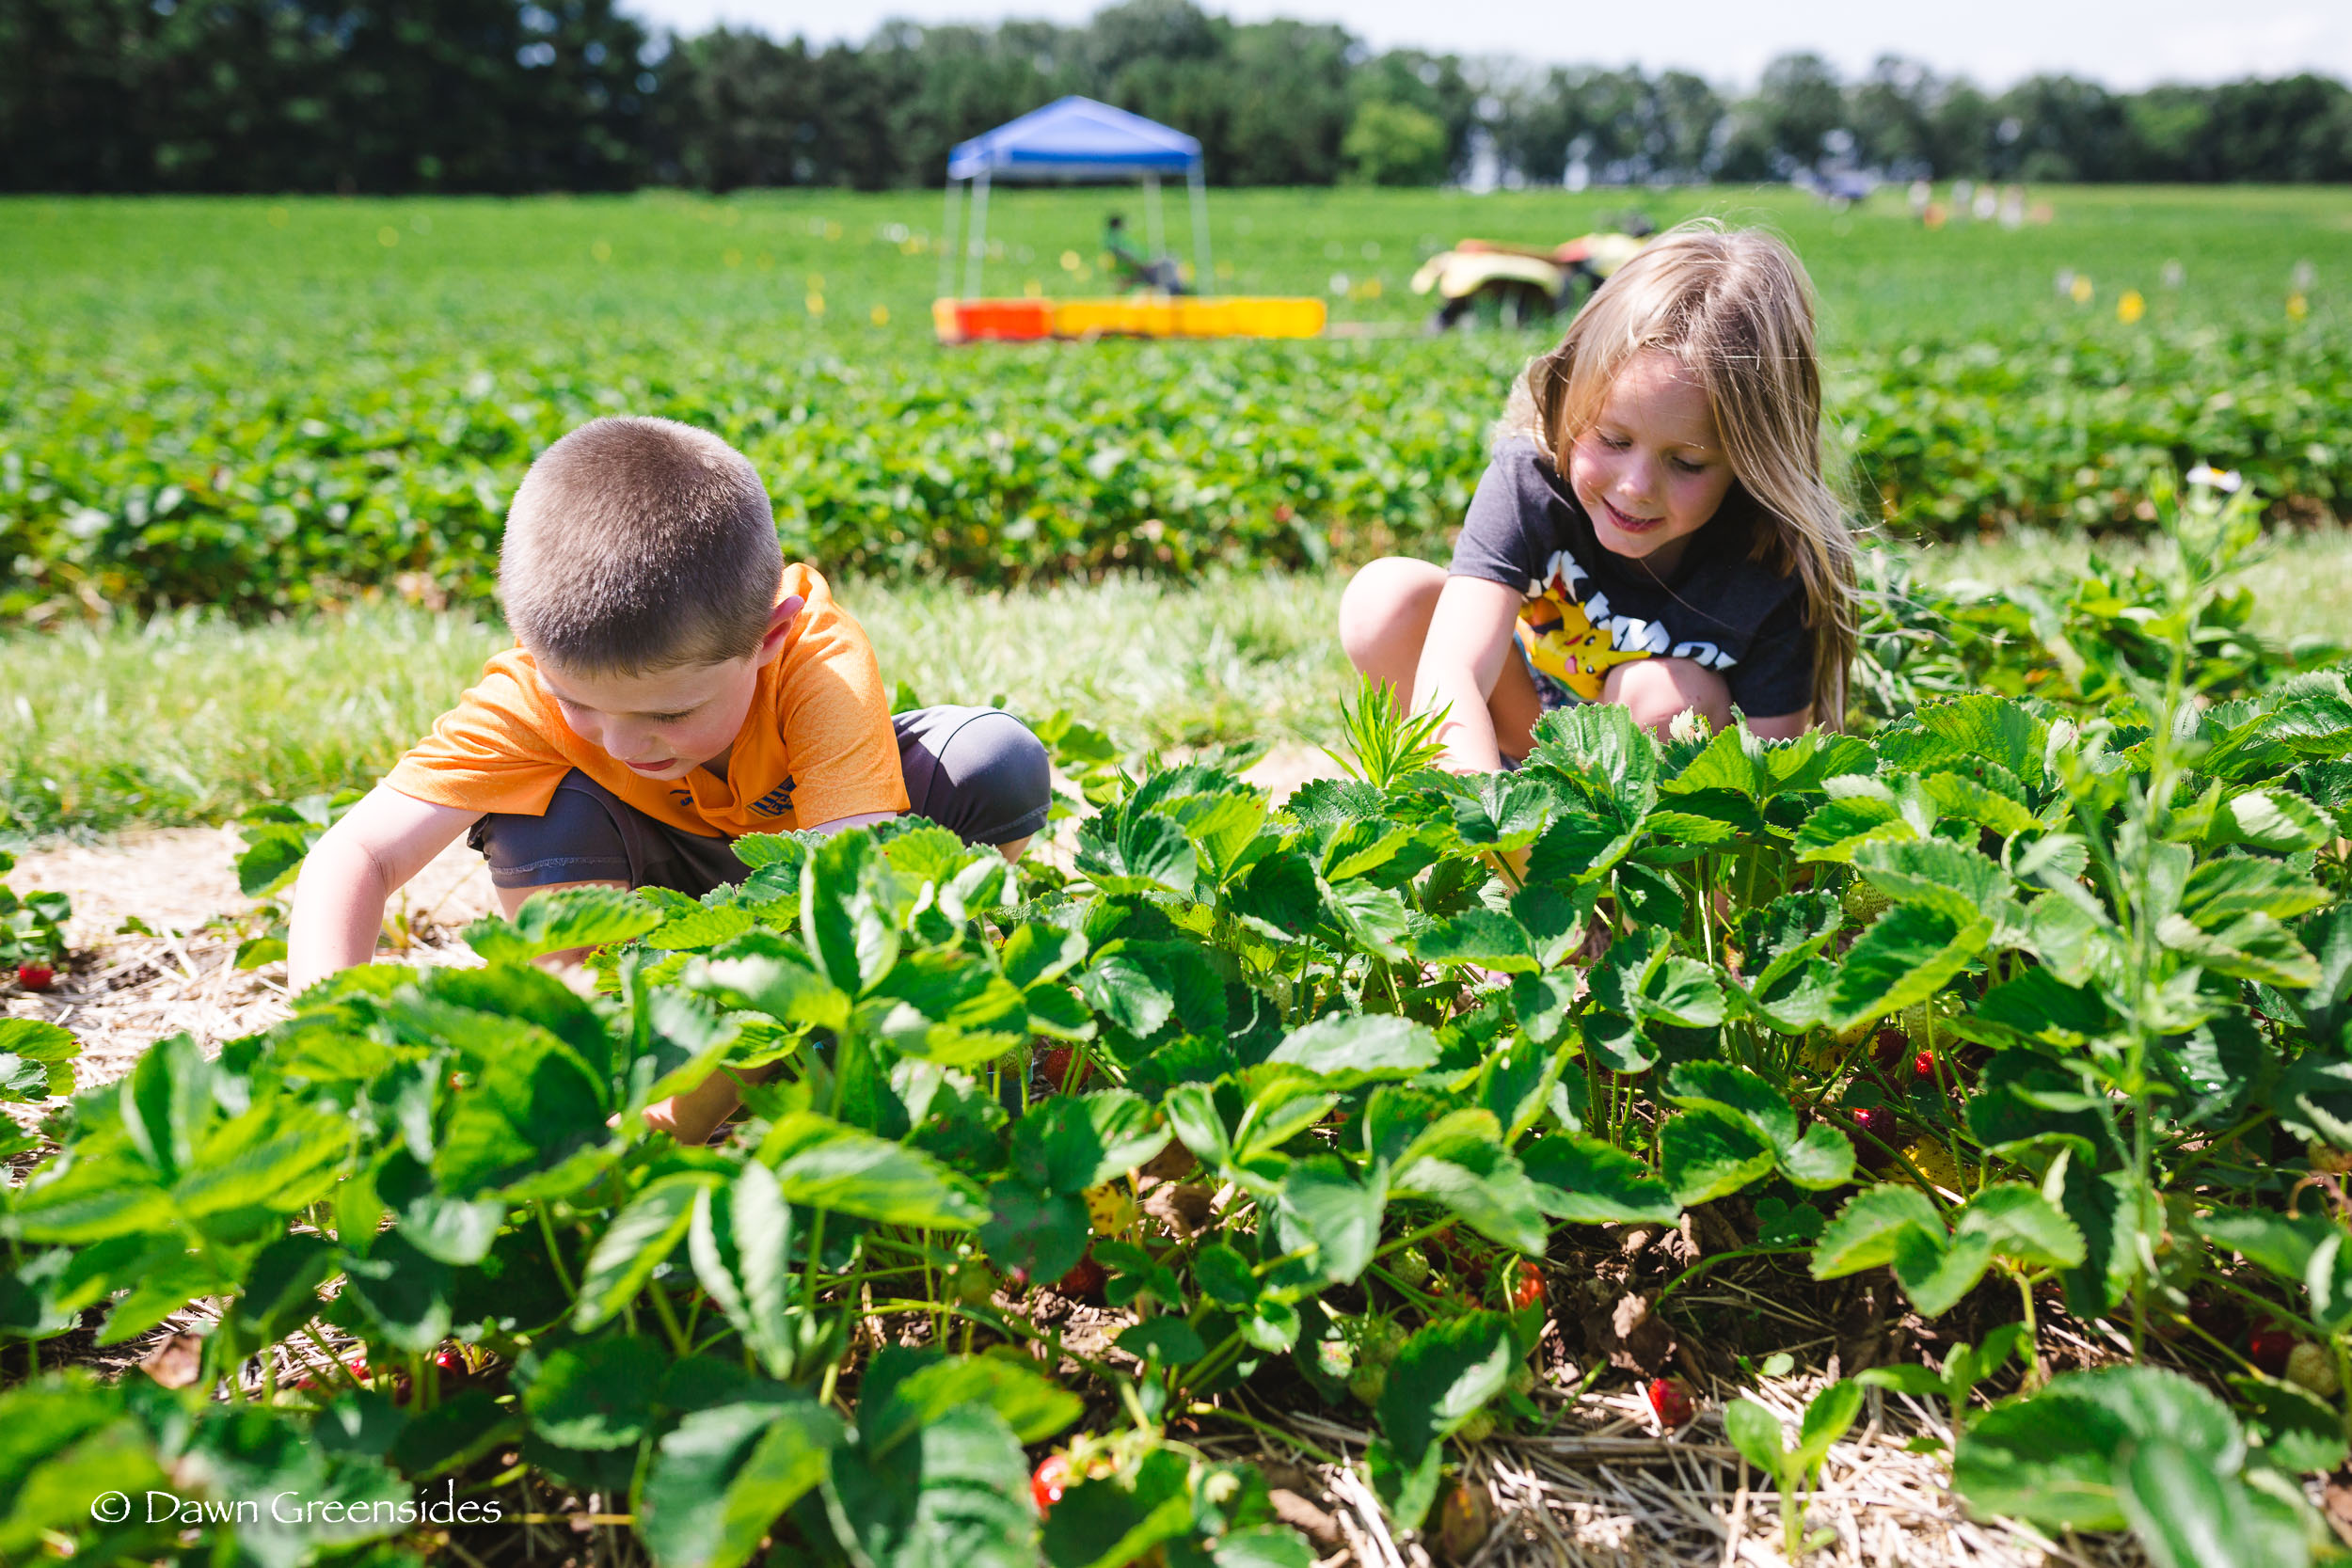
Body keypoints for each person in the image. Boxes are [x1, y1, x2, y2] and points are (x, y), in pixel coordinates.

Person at [288, 415, 1053, 1140]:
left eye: (672, 712)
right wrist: (329, 1053)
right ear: (527, 643)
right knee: (535, 806)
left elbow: (842, 907)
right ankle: (581, 1040)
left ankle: (934, 981)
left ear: (769, 637)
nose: (622, 742)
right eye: (578, 703)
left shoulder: (818, 663)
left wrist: (673, 1122)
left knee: (993, 759)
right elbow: (356, 855)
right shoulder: (529, 693)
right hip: (647, 885)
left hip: (810, 873)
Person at [1340, 221, 1856, 768]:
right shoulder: (1531, 482)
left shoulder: (1769, 564)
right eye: (1612, 439)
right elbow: (1454, 672)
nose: (1635, 487)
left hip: (1648, 786)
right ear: (1568, 400)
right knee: (1386, 600)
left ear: (1752, 462)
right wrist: (1495, 825)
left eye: (1687, 463)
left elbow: (1770, 776)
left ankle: (1602, 834)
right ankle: (1512, 793)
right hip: (1526, 732)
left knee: (1669, 701)